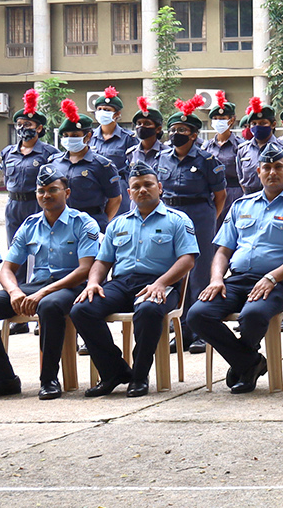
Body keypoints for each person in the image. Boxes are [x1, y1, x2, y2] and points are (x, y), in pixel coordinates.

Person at [185, 149, 283, 394]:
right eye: (266, 168)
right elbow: (223, 251)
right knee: (197, 314)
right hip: (236, 281)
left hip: (275, 283)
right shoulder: (241, 205)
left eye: (279, 167)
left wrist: (272, 278)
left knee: (253, 315)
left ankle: (243, 366)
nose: (272, 172)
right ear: (258, 172)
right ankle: (250, 362)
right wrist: (216, 279)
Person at [0, 166, 101, 400]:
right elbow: (6, 269)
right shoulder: (29, 224)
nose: (46, 195)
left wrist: (43, 293)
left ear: (67, 193)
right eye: (41, 191)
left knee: (49, 306)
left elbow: (85, 269)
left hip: (70, 286)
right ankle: (2, 379)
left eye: (52, 190)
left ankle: (48, 379)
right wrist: (14, 291)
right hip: (36, 286)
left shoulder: (83, 223)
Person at [71, 161, 200, 396]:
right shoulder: (117, 224)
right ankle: (114, 371)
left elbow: (187, 260)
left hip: (161, 283)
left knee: (149, 311)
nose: (143, 190)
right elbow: (102, 261)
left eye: (148, 185)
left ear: (159, 187)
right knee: (82, 309)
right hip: (121, 283)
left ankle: (139, 377)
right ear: (128, 193)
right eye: (137, 186)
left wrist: (161, 283)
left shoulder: (177, 220)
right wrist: (92, 283)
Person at [156, 96, 227, 353]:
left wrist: (208, 219)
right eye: (173, 130)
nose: (176, 134)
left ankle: (200, 330)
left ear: (194, 135)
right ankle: (181, 329)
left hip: (199, 214)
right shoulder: (162, 158)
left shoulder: (207, 161)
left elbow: (220, 196)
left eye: (182, 131)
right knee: (175, 271)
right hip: (170, 216)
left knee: (199, 274)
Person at [0, 89, 61, 248]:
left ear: (39, 129)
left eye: (28, 125)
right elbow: (7, 178)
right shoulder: (8, 153)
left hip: (37, 204)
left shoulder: (50, 153)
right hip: (13, 204)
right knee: (14, 248)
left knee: (39, 247)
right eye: (19, 124)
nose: (22, 128)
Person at [46, 105, 119, 229]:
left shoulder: (102, 165)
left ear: (88, 136)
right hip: (61, 222)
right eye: (66, 135)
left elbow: (115, 199)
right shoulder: (54, 162)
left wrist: (103, 222)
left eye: (75, 135)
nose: (69, 139)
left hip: (91, 221)